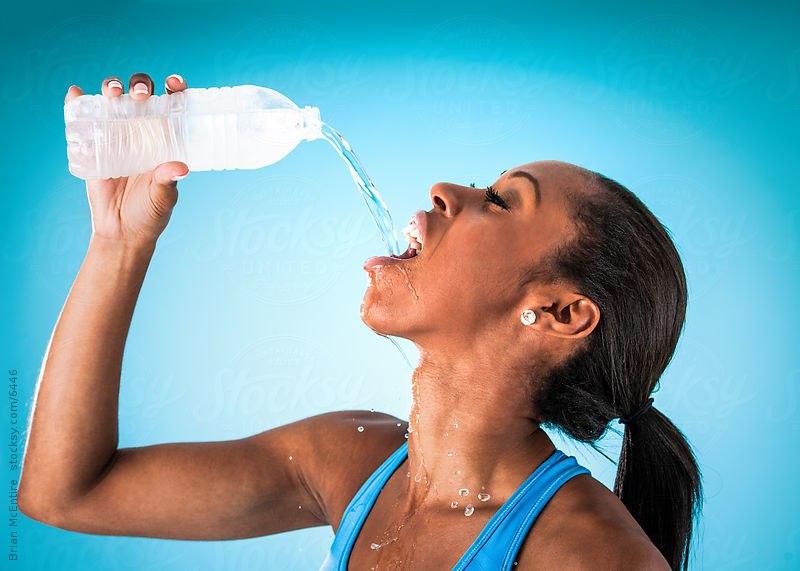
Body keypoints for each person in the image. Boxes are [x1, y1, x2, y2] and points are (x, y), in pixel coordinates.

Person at [19, 72, 702, 570]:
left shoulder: (588, 555)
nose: (445, 190)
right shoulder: (352, 459)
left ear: (558, 313)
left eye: (499, 201)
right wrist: (118, 241)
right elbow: (69, 492)